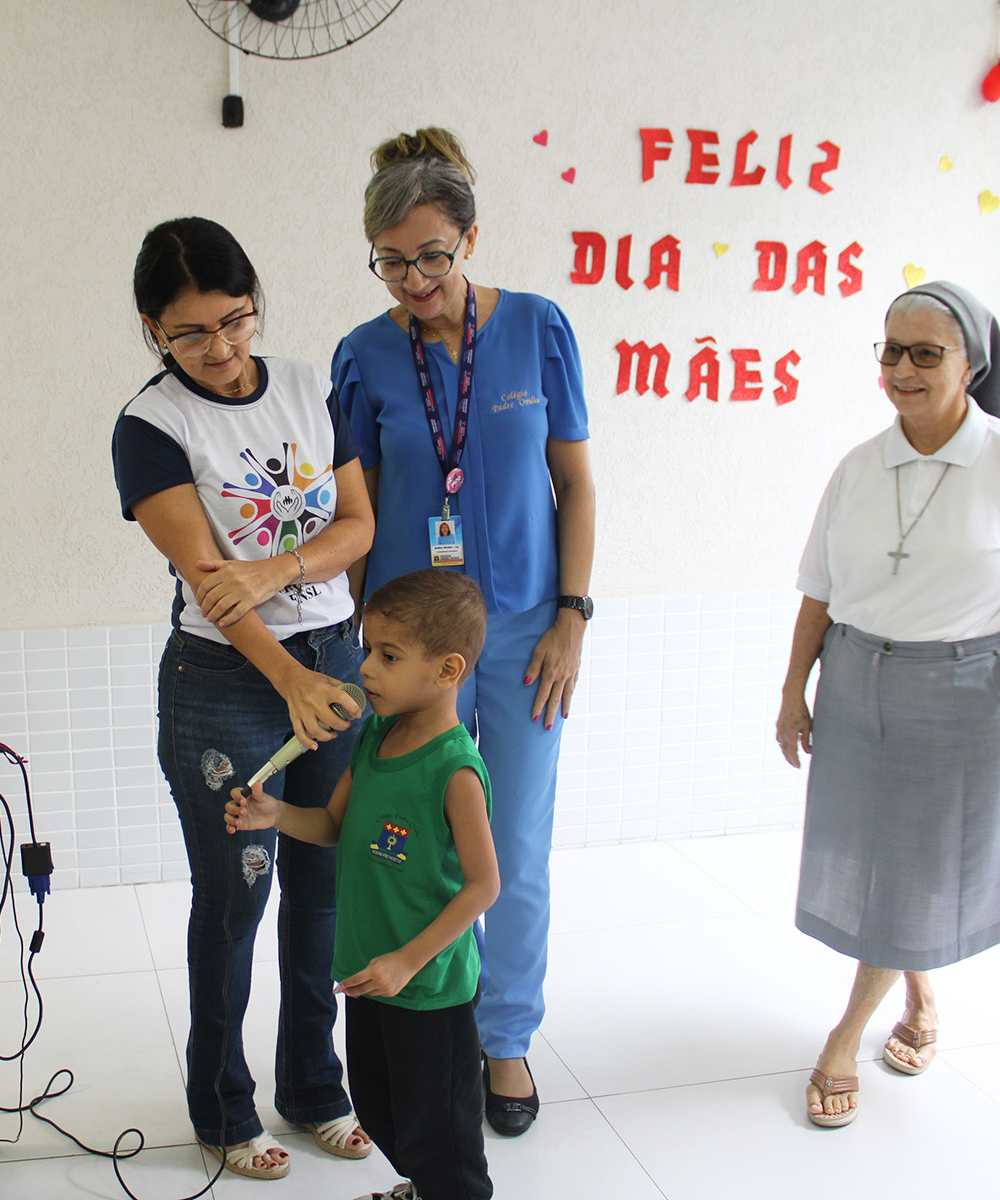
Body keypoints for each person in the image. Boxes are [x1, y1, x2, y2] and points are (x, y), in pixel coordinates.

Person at [776, 280, 1000, 1128]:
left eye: (925, 353)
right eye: (891, 351)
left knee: (911, 866)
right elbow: (818, 592)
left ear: (970, 365)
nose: (902, 369)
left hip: (963, 692)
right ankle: (920, 1001)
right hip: (856, 682)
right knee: (882, 858)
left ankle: (844, 1038)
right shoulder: (858, 466)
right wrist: (793, 691)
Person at [331, 126, 595, 1135]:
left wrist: (571, 616)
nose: (414, 281)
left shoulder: (537, 329)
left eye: (432, 256)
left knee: (512, 845)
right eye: (391, 261)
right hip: (412, 647)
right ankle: (427, 1017)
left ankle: (506, 1037)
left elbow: (575, 485)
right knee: (414, 842)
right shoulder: (365, 357)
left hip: (526, 630)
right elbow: (359, 513)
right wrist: (363, 651)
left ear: (471, 239)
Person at [112, 216, 375, 1178]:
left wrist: (276, 570)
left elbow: (358, 524)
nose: (221, 349)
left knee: (323, 887)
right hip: (226, 682)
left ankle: (315, 1087)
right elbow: (209, 585)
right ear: (154, 331)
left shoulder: (308, 385)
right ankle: (223, 1108)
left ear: (255, 301)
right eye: (190, 334)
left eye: (234, 321)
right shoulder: (152, 428)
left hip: (334, 656)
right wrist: (291, 676)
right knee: (236, 899)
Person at [226, 567, 499, 1200]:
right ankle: (421, 1187)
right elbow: (332, 825)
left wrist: (406, 961)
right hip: (367, 974)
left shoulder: (455, 769)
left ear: (448, 669)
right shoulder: (375, 735)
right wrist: (275, 814)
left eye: (388, 656)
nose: (366, 668)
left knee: (442, 1135)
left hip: (426, 988)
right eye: (367, 647)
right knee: (381, 1110)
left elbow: (483, 886)